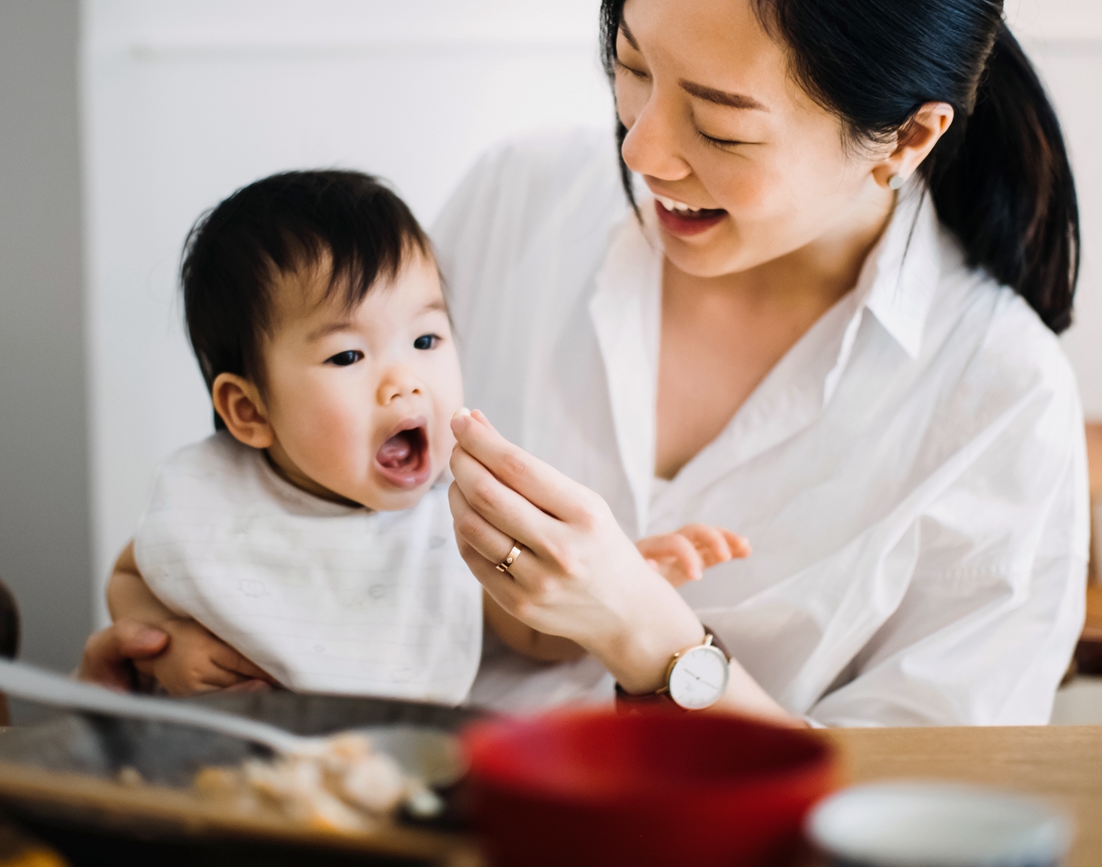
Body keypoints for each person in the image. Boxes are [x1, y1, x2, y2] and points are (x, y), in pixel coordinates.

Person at [85, 0, 1088, 726]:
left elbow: (921, 804)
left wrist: (650, 637)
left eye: (721, 124)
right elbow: (288, 500)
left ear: (909, 138)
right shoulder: (520, 198)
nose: (643, 151)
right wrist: (172, 638)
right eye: (632, 68)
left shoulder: (998, 399)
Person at [99, 169, 749, 700]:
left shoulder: (461, 517)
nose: (404, 382)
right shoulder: (211, 498)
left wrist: (626, 583)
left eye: (426, 339)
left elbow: (528, 630)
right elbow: (133, 573)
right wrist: (163, 643)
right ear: (248, 410)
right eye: (348, 357)